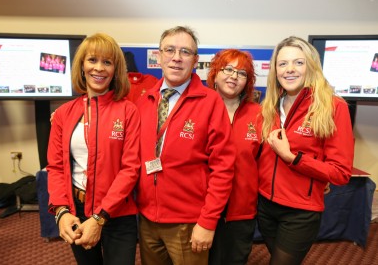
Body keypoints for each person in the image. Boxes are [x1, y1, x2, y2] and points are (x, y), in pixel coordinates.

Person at [135, 26, 235, 265]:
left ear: (195, 60)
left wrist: (208, 221)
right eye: (170, 50)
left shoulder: (210, 102)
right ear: (158, 56)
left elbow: (223, 168)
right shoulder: (143, 100)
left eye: (185, 52)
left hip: (189, 223)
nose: (177, 57)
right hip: (147, 220)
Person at [257, 36, 354, 264]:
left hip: (300, 213)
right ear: (275, 70)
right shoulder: (269, 105)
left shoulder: (333, 107)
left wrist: (292, 158)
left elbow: (340, 173)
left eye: (298, 63)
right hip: (265, 206)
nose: (290, 69)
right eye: (283, 64)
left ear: (311, 65)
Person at [46, 33, 140, 265]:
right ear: (81, 65)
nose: (99, 68)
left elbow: (130, 169)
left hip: (117, 213)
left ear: (115, 69)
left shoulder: (128, 111)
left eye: (107, 62)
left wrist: (99, 217)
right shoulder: (63, 114)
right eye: (92, 60)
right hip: (76, 209)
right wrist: (61, 212)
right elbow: (56, 167)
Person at [206, 49, 261, 265]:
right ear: (215, 74)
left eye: (242, 73)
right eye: (228, 69)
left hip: (242, 210)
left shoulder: (259, 114)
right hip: (202, 209)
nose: (234, 76)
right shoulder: (199, 108)